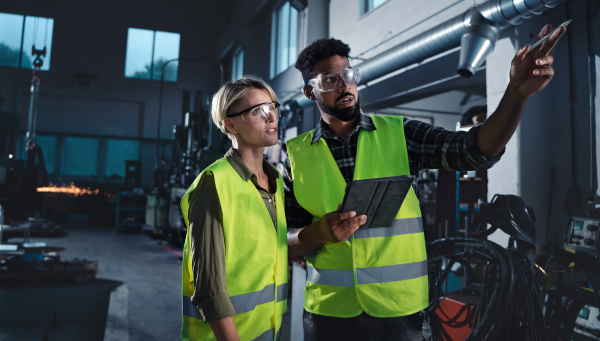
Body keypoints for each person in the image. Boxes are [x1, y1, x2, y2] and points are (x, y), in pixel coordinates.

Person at [284, 25, 565, 340]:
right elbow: (288, 235)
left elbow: (472, 151)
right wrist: (319, 232)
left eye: (349, 75)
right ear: (310, 92)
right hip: (329, 312)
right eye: (330, 80)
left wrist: (516, 94)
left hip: (399, 311)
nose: (345, 86)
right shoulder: (294, 156)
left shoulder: (399, 134)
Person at [180, 76, 288, 341]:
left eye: (272, 108)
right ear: (230, 124)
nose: (271, 118)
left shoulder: (274, 182)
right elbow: (209, 290)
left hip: (266, 331)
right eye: (257, 111)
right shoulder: (214, 183)